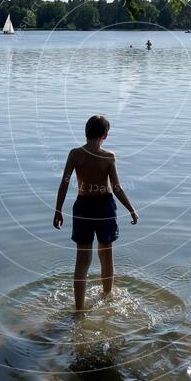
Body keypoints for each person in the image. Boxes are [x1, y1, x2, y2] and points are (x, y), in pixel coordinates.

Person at [53, 115, 138, 312]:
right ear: (105, 135)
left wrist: (58, 210)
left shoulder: (74, 154)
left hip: (83, 206)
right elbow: (116, 188)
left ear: (86, 132)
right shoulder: (108, 156)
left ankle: (79, 309)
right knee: (106, 256)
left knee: (82, 261)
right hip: (104, 207)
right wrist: (131, 209)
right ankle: (107, 299)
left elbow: (64, 183)